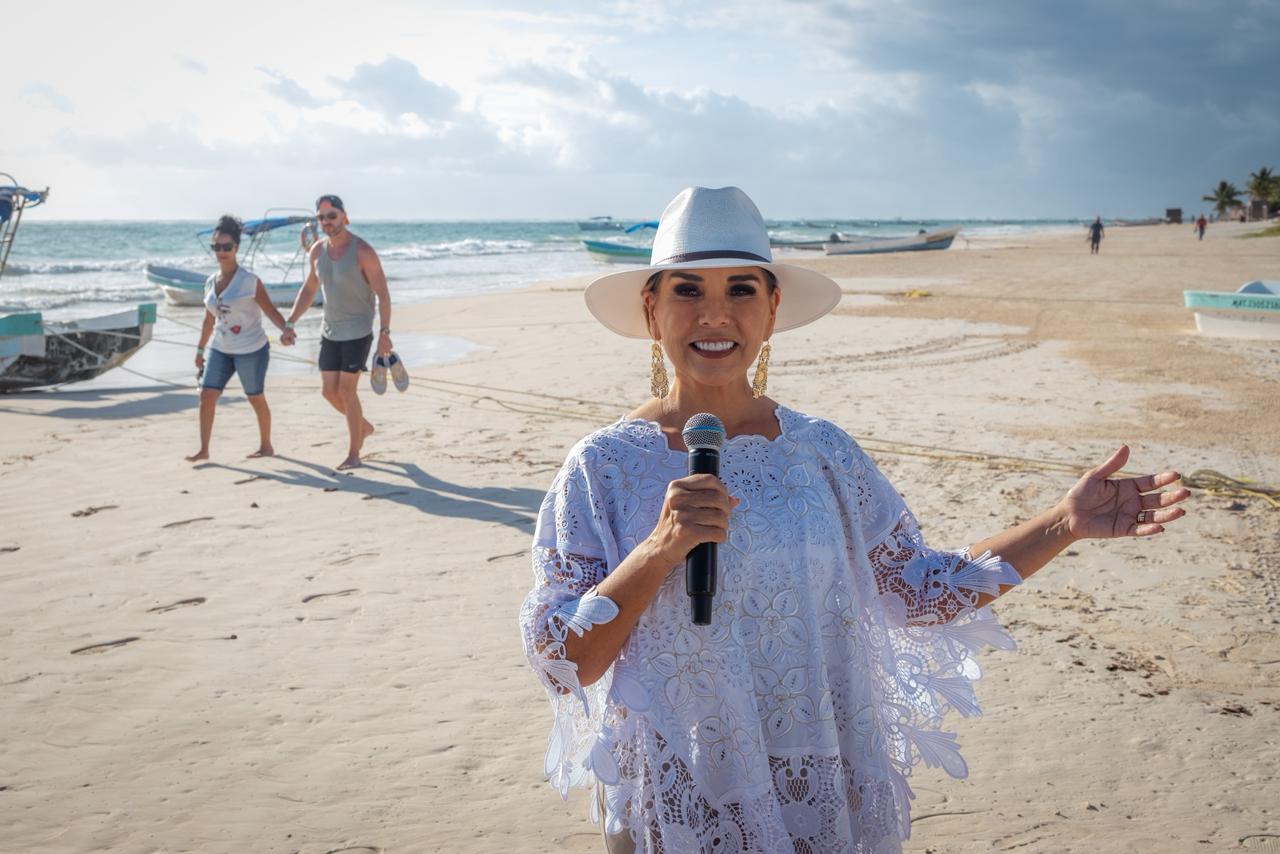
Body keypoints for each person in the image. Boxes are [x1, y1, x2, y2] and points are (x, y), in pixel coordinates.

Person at [518, 187, 1190, 853]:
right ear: (651, 307)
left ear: (773, 308)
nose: (714, 316)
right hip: (681, 799)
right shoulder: (599, 468)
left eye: (742, 291)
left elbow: (917, 590)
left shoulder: (823, 451)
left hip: (818, 789)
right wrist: (657, 553)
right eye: (688, 291)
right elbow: (564, 662)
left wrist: (1063, 524)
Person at [283, 194, 394, 470]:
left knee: (346, 391)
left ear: (344, 217)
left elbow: (383, 294)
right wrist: (291, 322)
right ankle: (363, 427)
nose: (326, 221)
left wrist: (384, 333)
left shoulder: (362, 251)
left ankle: (354, 453)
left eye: (332, 215)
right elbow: (309, 289)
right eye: (321, 217)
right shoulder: (317, 251)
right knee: (328, 392)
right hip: (329, 331)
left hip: (358, 331)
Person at [186, 215, 292, 462]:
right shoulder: (211, 282)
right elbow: (208, 319)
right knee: (206, 396)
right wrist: (200, 350)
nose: (221, 252)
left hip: (252, 349)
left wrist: (286, 330)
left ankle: (266, 445)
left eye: (226, 247)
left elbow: (270, 310)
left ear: (236, 248)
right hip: (220, 348)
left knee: (255, 397)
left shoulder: (249, 281)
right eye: (216, 247)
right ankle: (204, 450)